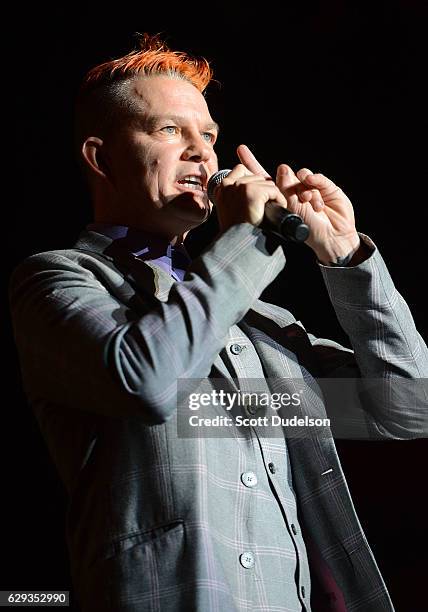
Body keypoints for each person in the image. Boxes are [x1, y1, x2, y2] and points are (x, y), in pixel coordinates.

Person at [9, 33, 428, 612]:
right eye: (168, 130)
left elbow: (408, 411)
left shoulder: (260, 325)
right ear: (100, 157)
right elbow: (148, 379)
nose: (202, 153)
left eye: (207, 134)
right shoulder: (60, 280)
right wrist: (247, 240)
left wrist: (348, 257)